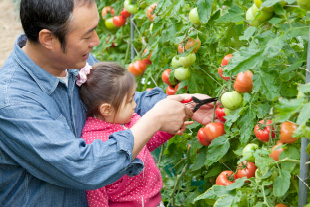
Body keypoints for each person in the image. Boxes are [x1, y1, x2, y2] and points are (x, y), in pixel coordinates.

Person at [0, 0, 215, 206]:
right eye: (86, 35)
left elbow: (116, 103)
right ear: (48, 39)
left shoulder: (74, 62)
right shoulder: (13, 102)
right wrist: (156, 119)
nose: (96, 41)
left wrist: (181, 104)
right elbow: (83, 166)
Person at [78, 62, 191, 207]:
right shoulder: (94, 142)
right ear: (106, 109)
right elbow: (95, 188)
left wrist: (167, 129)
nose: (135, 105)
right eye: (130, 100)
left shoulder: (131, 120)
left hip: (154, 201)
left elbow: (147, 142)